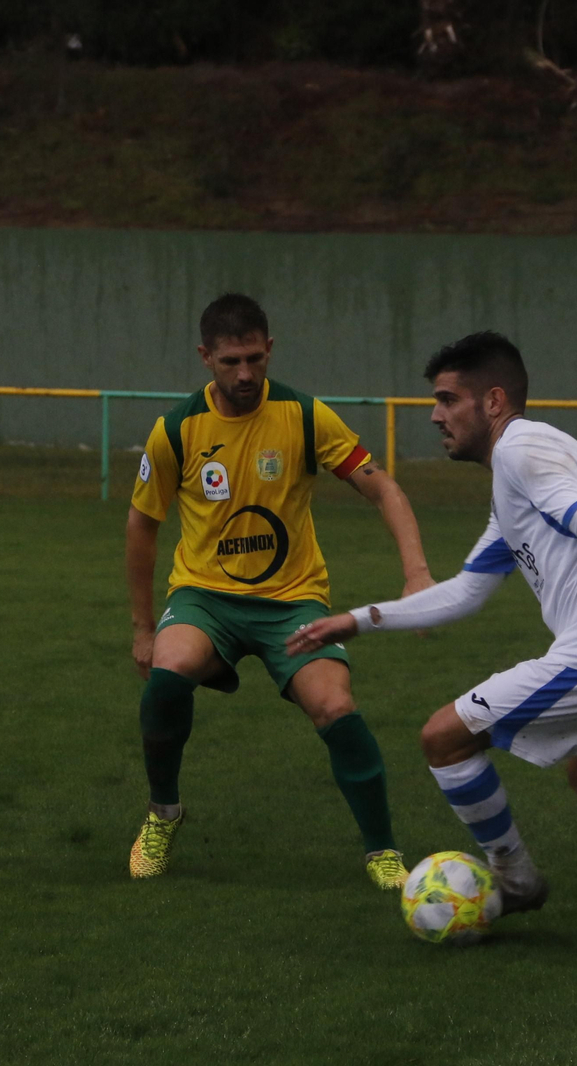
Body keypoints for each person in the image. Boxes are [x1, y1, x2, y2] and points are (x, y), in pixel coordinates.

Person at [287, 330, 577, 945]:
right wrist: (359, 620)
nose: (436, 416)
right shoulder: (515, 479)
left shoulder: (523, 450)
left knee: (443, 738)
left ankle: (517, 880)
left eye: (448, 400)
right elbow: (468, 591)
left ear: (493, 401)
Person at [126, 293, 434, 889]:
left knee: (335, 706)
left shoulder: (305, 416)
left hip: (291, 602)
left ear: (270, 350)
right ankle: (163, 814)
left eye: (254, 360)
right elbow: (142, 524)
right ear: (205, 358)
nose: (244, 374)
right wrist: (142, 628)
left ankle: (382, 852)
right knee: (168, 672)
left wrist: (416, 572)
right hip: (204, 599)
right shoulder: (176, 430)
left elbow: (384, 489)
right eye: (230, 362)